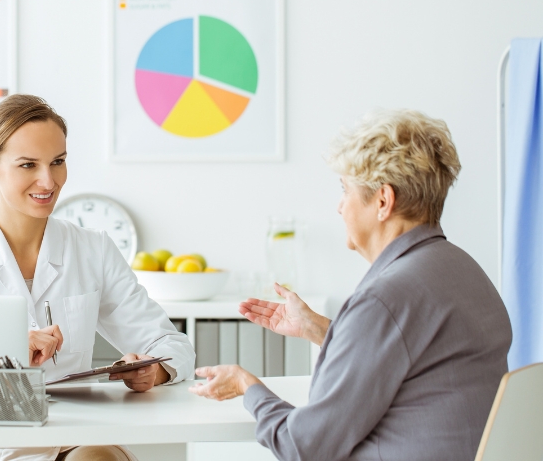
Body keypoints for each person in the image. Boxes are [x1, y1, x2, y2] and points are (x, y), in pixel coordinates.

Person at [189, 110, 512, 461]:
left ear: (383, 202)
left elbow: (303, 446)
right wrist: (322, 329)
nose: (340, 206)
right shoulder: (465, 272)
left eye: (345, 190)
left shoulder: (384, 299)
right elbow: (416, 362)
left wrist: (246, 385)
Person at [0, 94, 195, 461]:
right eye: (28, 165)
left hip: (75, 440)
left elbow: (172, 344)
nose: (48, 181)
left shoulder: (93, 249)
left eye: (57, 162)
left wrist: (155, 370)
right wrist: (7, 350)